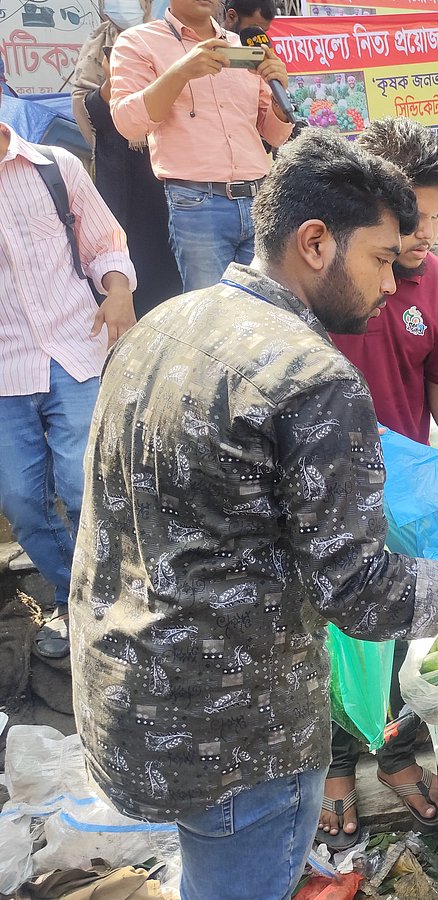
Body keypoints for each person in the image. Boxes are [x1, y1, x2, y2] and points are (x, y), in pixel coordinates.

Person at [69, 128, 438, 900]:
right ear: (315, 242)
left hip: (128, 700)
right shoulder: (309, 375)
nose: (392, 285)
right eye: (382, 258)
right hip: (236, 737)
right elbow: (363, 595)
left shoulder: (163, 323)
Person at [320, 117, 438, 846]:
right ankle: (337, 764)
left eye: (437, 213)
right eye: (417, 215)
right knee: (333, 632)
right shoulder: (325, 282)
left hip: (404, 494)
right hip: (323, 491)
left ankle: (396, 751)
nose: (429, 231)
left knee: (404, 629)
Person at [0, 53, 137, 659]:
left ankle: (103, 610)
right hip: (5, 369)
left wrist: (118, 291)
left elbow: (105, 238)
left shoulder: (54, 168)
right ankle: (68, 596)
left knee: (85, 488)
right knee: (23, 500)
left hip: (73, 348)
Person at [109, 0, 295, 291]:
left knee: (267, 310)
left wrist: (280, 100)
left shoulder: (241, 46)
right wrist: (179, 73)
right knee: (212, 316)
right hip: (198, 203)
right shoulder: (138, 41)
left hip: (260, 199)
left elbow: (272, 134)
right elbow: (128, 122)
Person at [78, 45, 183, 317]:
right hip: (122, 200)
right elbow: (93, 110)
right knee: (130, 268)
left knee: (169, 281)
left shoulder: (171, 63)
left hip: (169, 194)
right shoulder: (100, 53)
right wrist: (116, 76)